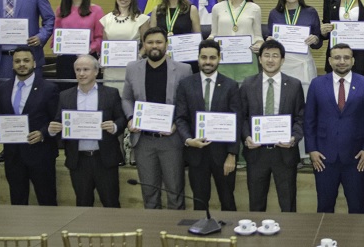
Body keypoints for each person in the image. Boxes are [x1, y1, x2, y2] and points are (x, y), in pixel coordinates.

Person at [122, 27, 193, 209]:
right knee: (149, 192)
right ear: (144, 45)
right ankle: (153, 233)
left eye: (159, 42)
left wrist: (176, 125)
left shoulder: (184, 69)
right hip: (143, 140)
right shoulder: (132, 68)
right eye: (150, 42)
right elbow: (127, 98)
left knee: (175, 191)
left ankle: (174, 233)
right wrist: (131, 118)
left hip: (171, 139)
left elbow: (186, 103)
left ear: (166, 45)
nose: (155, 46)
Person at [304, 43, 364, 213]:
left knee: (357, 207)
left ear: (353, 61)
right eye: (337, 57)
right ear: (329, 61)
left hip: (357, 158)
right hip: (323, 158)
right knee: (324, 207)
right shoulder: (316, 84)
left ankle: (358, 240)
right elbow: (309, 120)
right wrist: (312, 149)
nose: (341, 61)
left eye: (346, 58)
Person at [46, 55, 125, 207]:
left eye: (86, 69)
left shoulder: (111, 93)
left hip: (105, 159)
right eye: (78, 70)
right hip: (79, 160)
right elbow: (58, 121)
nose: (81, 73)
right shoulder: (65, 96)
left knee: (111, 203)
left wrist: (115, 126)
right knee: (82, 204)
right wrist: (52, 129)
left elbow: (121, 119)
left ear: (96, 72)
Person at [0, 46, 59, 206]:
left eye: (26, 60)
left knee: (47, 201)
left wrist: (42, 133)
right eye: (17, 61)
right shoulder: (2, 88)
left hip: (41, 155)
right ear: (12, 64)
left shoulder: (49, 89)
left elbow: (56, 120)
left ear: (34, 63)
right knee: (17, 201)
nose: (22, 64)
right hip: (13, 156)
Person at [238, 40, 305, 212]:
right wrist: (246, 137)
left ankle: (290, 238)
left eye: (275, 56)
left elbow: (301, 118)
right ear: (259, 59)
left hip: (284, 153)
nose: (270, 60)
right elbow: (242, 117)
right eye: (266, 55)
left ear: (282, 60)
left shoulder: (294, 85)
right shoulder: (247, 84)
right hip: (256, 153)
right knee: (256, 204)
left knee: (288, 204)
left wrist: (294, 138)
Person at [175, 39, 240, 211]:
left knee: (228, 200)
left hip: (223, 156)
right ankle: (200, 234)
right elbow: (180, 118)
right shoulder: (186, 84)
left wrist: (232, 154)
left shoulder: (231, 86)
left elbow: (236, 121)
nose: (208, 62)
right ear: (198, 58)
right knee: (199, 202)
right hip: (196, 154)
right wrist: (189, 140)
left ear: (219, 58)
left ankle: (232, 237)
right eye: (204, 57)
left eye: (212, 57)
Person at [266, 0, 322, 91]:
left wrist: (315, 39)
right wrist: (269, 42)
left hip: (303, 66)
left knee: (304, 101)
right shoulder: (274, 14)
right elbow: (270, 43)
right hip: (282, 65)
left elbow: (318, 44)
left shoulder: (310, 12)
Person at [53, 0, 104, 91]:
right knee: (66, 95)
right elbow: (56, 34)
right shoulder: (60, 10)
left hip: (88, 59)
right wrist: (57, 47)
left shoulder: (96, 10)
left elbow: (99, 37)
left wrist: (88, 50)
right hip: (65, 61)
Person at [210, 0, 261, 82]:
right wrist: (206, 42)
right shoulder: (217, 8)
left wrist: (259, 44)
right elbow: (213, 34)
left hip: (247, 61)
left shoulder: (254, 8)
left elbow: (258, 36)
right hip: (224, 62)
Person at [148, 0, 202, 73]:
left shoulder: (191, 9)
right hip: (162, 59)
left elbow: (197, 38)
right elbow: (152, 37)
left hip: (186, 61)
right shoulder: (157, 10)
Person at [100, 0, 149, 90]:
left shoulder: (141, 19)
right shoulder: (106, 19)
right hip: (111, 73)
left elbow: (147, 43)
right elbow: (104, 46)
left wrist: (139, 56)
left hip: (132, 70)